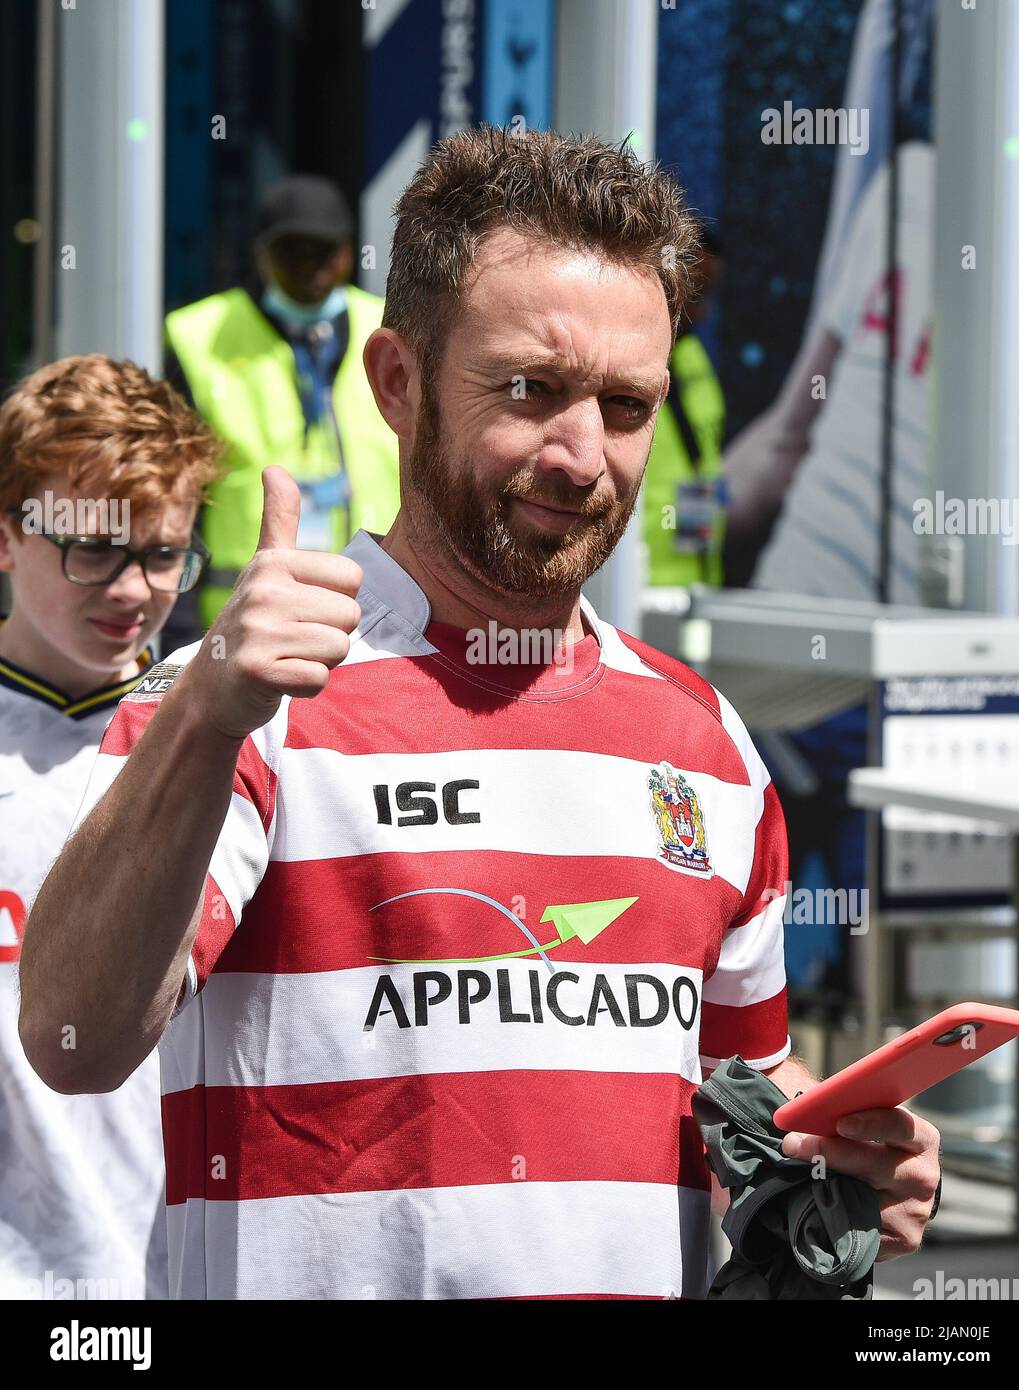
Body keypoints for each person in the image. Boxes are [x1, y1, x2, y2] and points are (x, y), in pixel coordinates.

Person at [21, 127, 940, 1301]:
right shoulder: (242, 701)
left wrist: (839, 1165)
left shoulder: (705, 745)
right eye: (529, 390)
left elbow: (745, 1116)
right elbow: (70, 1040)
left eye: (624, 404)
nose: (580, 455)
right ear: (397, 383)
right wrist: (206, 717)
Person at [0, 353, 221, 1299]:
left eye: (164, 553)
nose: (133, 590)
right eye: (92, 548)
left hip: (182, 1281)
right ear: (5, 538)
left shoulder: (232, 732)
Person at [165, 173, 401, 640]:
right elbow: (175, 490)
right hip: (241, 620)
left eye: (324, 250)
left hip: (378, 619)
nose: (309, 266)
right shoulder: (199, 336)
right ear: (260, 253)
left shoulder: (390, 328)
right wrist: (180, 617)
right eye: (291, 250)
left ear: (349, 252)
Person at [641, 227, 727, 588]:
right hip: (635, 588)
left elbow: (705, 466)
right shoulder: (617, 368)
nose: (704, 311)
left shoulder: (693, 357)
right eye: (698, 292)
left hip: (697, 579)